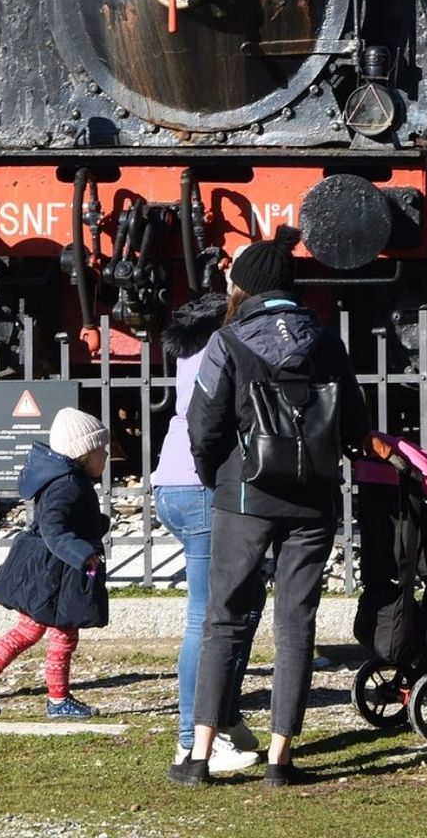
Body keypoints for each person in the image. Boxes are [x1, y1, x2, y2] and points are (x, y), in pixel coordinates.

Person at [172, 239, 368, 787]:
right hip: (313, 500)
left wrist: (217, 475)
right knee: (296, 623)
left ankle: (198, 757)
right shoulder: (325, 340)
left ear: (246, 286)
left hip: (243, 496)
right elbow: (355, 424)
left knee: (224, 620)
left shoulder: (228, 340)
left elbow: (203, 425)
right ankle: (281, 760)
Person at [152, 290, 263, 775]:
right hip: (201, 485)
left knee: (240, 602)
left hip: (170, 482)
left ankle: (223, 715)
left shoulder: (191, 351)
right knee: (208, 617)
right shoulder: (223, 346)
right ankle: (192, 738)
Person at [0, 406, 112, 720]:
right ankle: (57, 700)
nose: (107, 455)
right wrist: (82, 553)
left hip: (47, 568)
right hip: (57, 572)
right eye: (102, 448)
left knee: (30, 627)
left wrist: (94, 525)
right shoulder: (68, 484)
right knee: (64, 633)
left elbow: (63, 521)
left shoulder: (66, 479)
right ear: (85, 453)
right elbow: (53, 527)